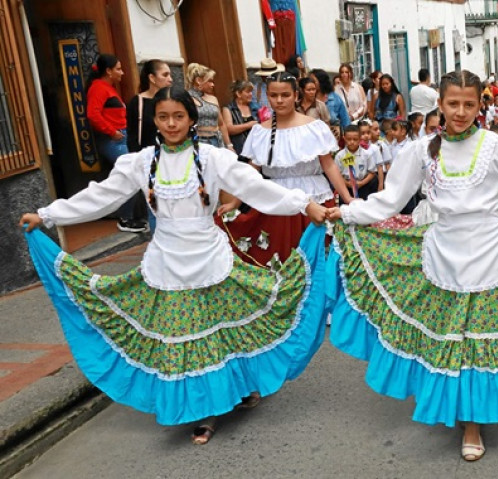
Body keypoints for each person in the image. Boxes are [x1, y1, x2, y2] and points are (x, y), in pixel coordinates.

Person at [20, 85, 332, 445]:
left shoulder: (212, 159)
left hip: (210, 258)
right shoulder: (140, 162)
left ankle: (231, 392)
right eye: (163, 117)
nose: (171, 124)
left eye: (178, 116)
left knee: (222, 331)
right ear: (155, 120)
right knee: (186, 336)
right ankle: (206, 408)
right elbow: (102, 196)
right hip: (166, 261)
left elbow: (255, 187)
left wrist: (304, 204)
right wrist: (48, 215)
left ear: (191, 119)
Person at [324, 70, 498, 462]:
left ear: (480, 104)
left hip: (490, 254)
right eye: (453, 103)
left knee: (480, 342)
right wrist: (349, 213)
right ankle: (458, 406)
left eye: (469, 104)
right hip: (442, 252)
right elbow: (391, 198)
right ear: (440, 103)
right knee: (453, 338)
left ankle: (472, 424)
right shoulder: (421, 151)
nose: (461, 111)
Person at [216, 72, 353, 267]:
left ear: (296, 95)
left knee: (317, 257)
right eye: (274, 95)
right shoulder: (260, 131)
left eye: (285, 95)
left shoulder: (314, 127)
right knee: (279, 254)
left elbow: (328, 164)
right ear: (267, 97)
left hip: (315, 196)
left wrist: (347, 198)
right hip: (276, 199)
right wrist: (235, 202)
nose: (279, 100)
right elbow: (251, 174)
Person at [87, 54, 146, 233]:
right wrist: (111, 131)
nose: (122, 72)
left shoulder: (107, 88)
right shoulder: (98, 88)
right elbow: (93, 114)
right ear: (108, 71)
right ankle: (125, 218)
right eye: (118, 69)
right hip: (113, 139)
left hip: (120, 137)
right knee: (130, 174)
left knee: (131, 174)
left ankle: (129, 216)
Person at [127, 59, 173, 153]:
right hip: (147, 156)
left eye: (170, 75)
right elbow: (132, 136)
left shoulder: (172, 100)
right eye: (165, 75)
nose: (170, 79)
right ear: (152, 78)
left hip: (172, 153)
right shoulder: (138, 102)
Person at [185, 63, 233, 150]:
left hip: (217, 140)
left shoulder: (213, 98)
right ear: (199, 80)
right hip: (198, 141)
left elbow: (221, 124)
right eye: (209, 81)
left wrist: (229, 145)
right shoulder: (186, 98)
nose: (212, 85)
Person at [334, 124, 380, 199]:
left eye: (355, 139)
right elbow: (337, 175)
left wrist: (362, 183)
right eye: (349, 139)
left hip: (363, 185)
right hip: (346, 188)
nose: (352, 142)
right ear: (344, 138)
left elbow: (372, 172)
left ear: (360, 138)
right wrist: (347, 183)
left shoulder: (367, 154)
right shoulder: (339, 156)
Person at [311, 69, 351, 140]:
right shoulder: (308, 100)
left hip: (334, 139)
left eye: (313, 81)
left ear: (321, 82)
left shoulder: (335, 98)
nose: (310, 84)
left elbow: (345, 121)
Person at [222, 80, 260, 155]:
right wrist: (249, 125)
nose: (251, 94)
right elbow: (229, 129)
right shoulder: (228, 109)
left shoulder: (255, 107)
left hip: (257, 148)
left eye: (251, 92)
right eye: (248, 92)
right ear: (238, 93)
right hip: (239, 149)